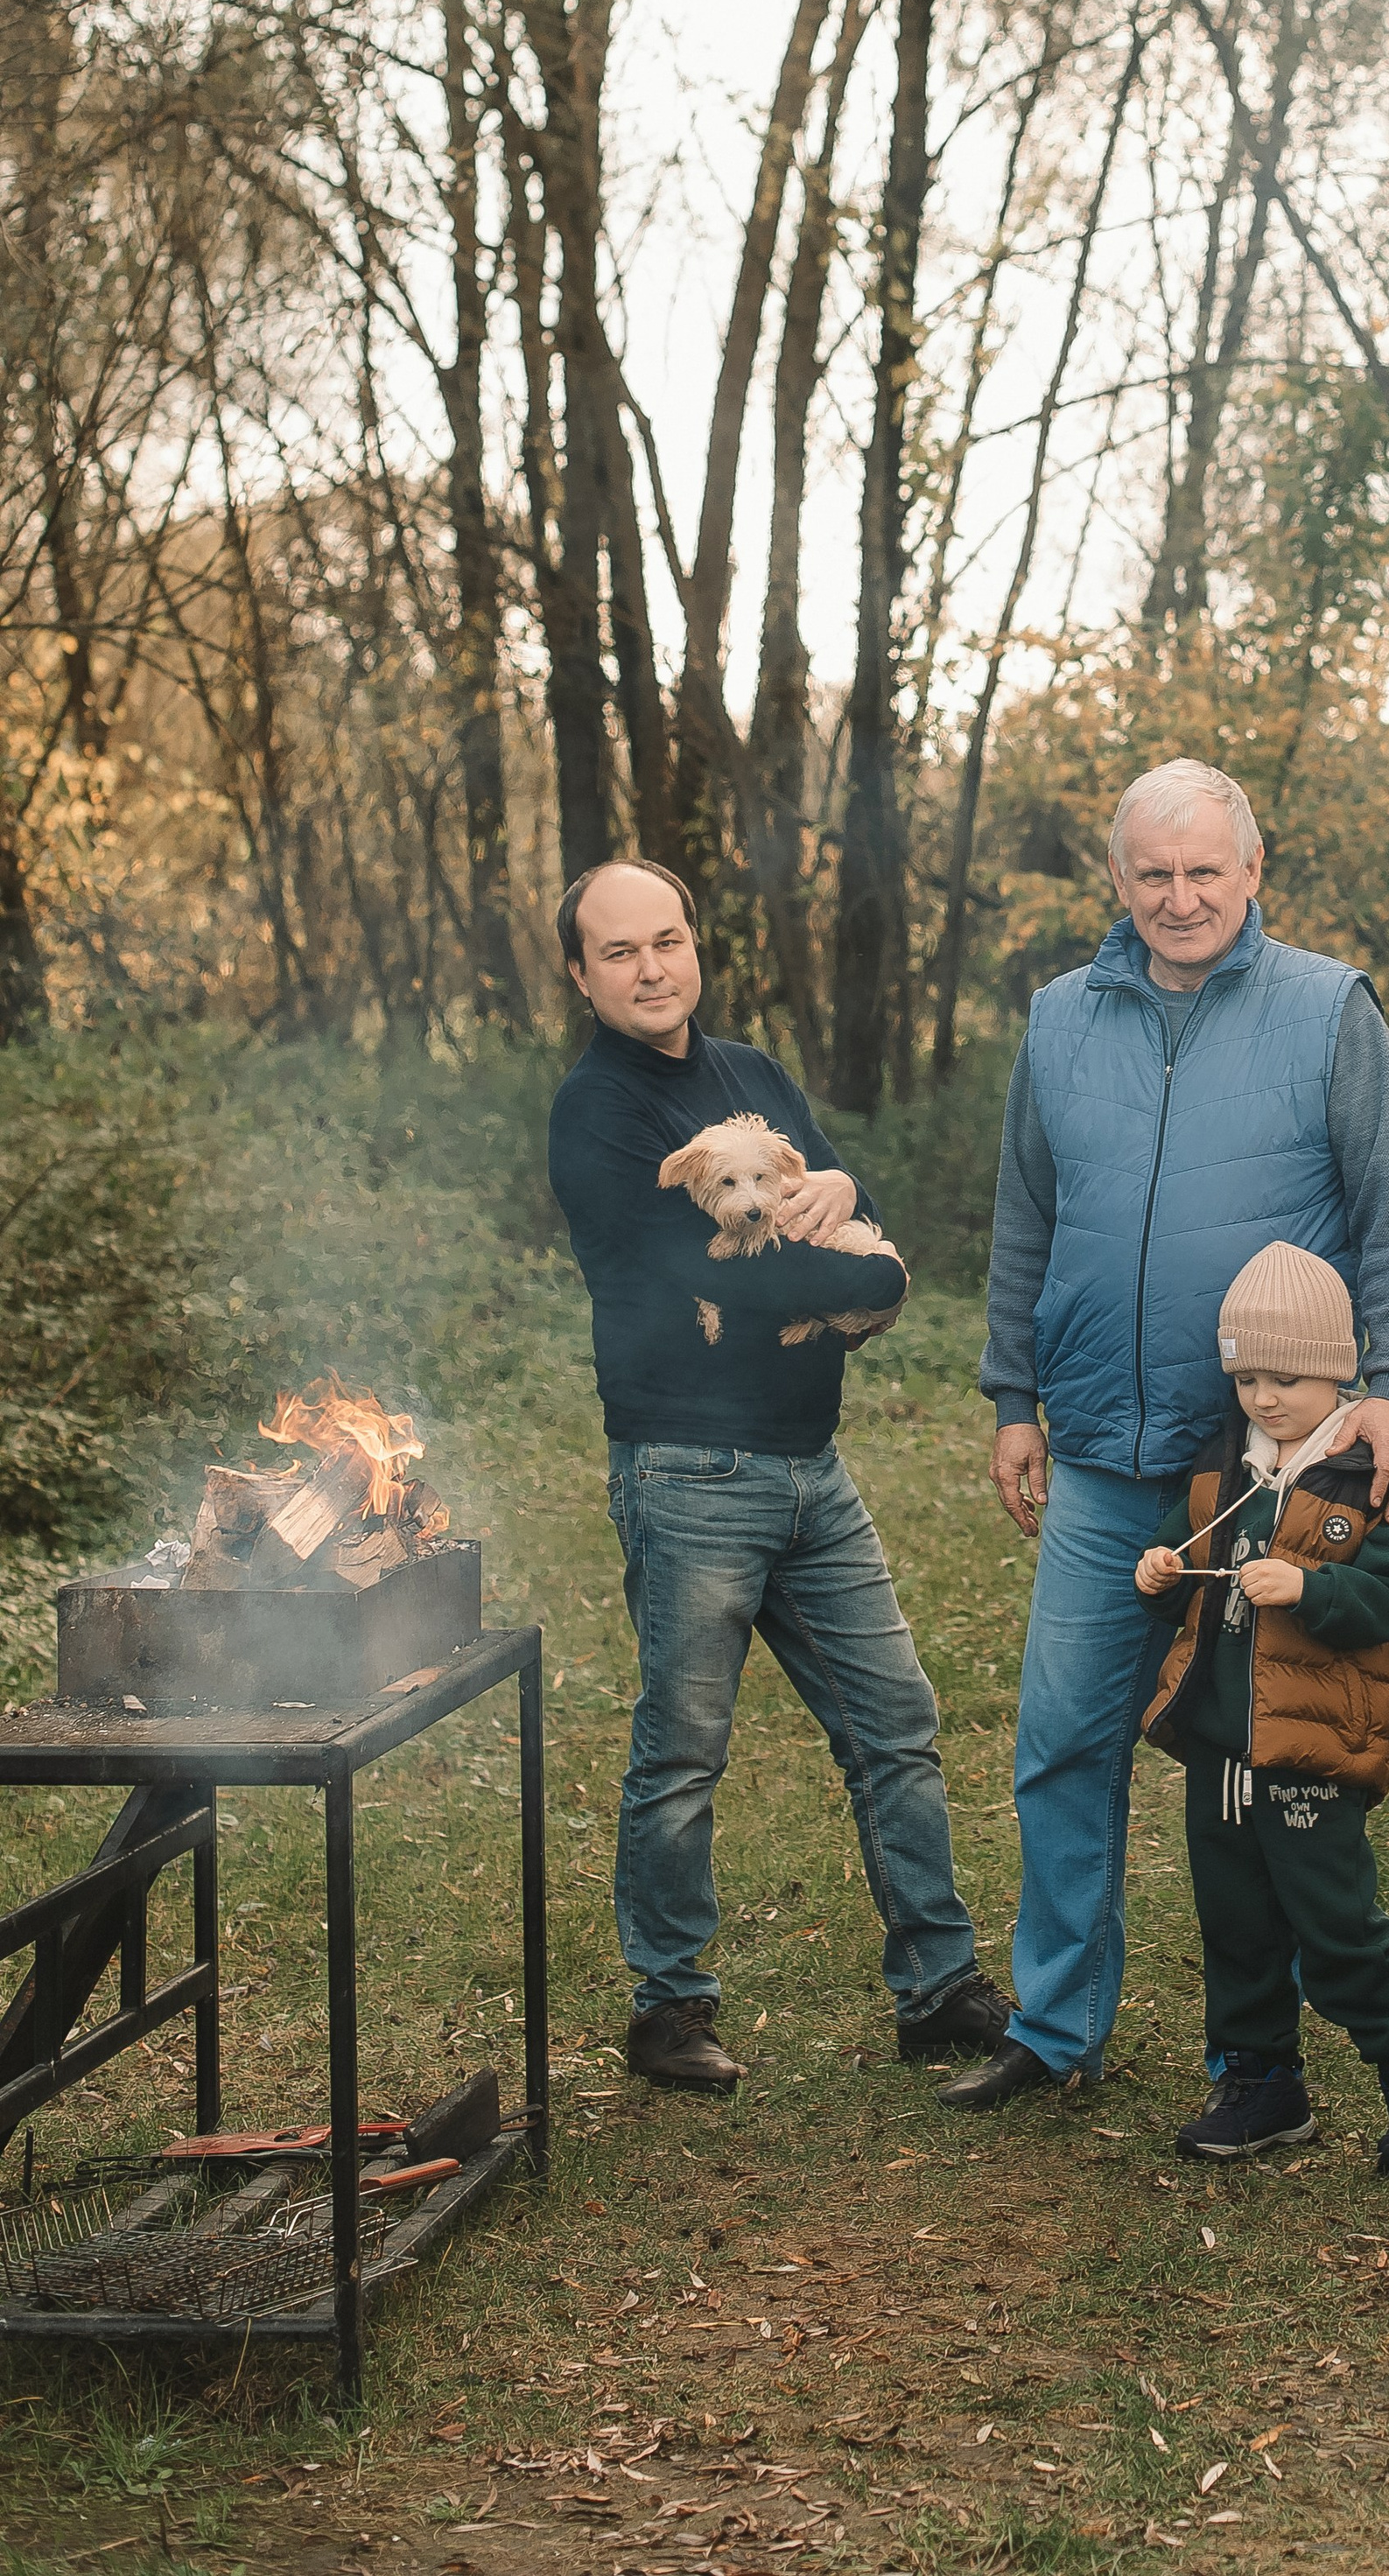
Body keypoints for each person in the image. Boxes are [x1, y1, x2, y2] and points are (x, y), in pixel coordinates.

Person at [946, 759, 1389, 2110]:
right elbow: (1025, 1223)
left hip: (1263, 1469)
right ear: (1119, 879)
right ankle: (1055, 2028)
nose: (1180, 897)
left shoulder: (1326, 1007)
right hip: (1105, 1449)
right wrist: (1013, 1397)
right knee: (1060, 1737)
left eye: (1204, 871)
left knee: (1255, 1759)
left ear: (1250, 873)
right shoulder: (1059, 1017)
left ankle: (1265, 2054)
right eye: (1153, 872)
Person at [546, 858, 1014, 2091]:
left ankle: (938, 1984)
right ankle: (670, 2007)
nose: (652, 967)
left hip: (814, 1463)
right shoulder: (598, 1112)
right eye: (619, 951)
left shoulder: (751, 1072)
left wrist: (853, 1195)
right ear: (581, 973)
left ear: (696, 943)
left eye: (669, 938)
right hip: (689, 1469)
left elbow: (839, 1185)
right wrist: (879, 1276)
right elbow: (719, 1275)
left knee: (897, 1723)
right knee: (685, 1746)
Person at [1133, 1242, 1389, 2172]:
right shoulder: (1222, 1467)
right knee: (1234, 1919)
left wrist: (1312, 1590)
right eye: (1245, 1376)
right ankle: (1260, 2080)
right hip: (1221, 1746)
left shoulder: (1367, 1479)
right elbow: (1177, 1566)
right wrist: (1159, 1573)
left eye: (1287, 1377)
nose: (1264, 1397)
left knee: (1334, 1924)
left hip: (1311, 1745)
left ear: (1340, 1373)